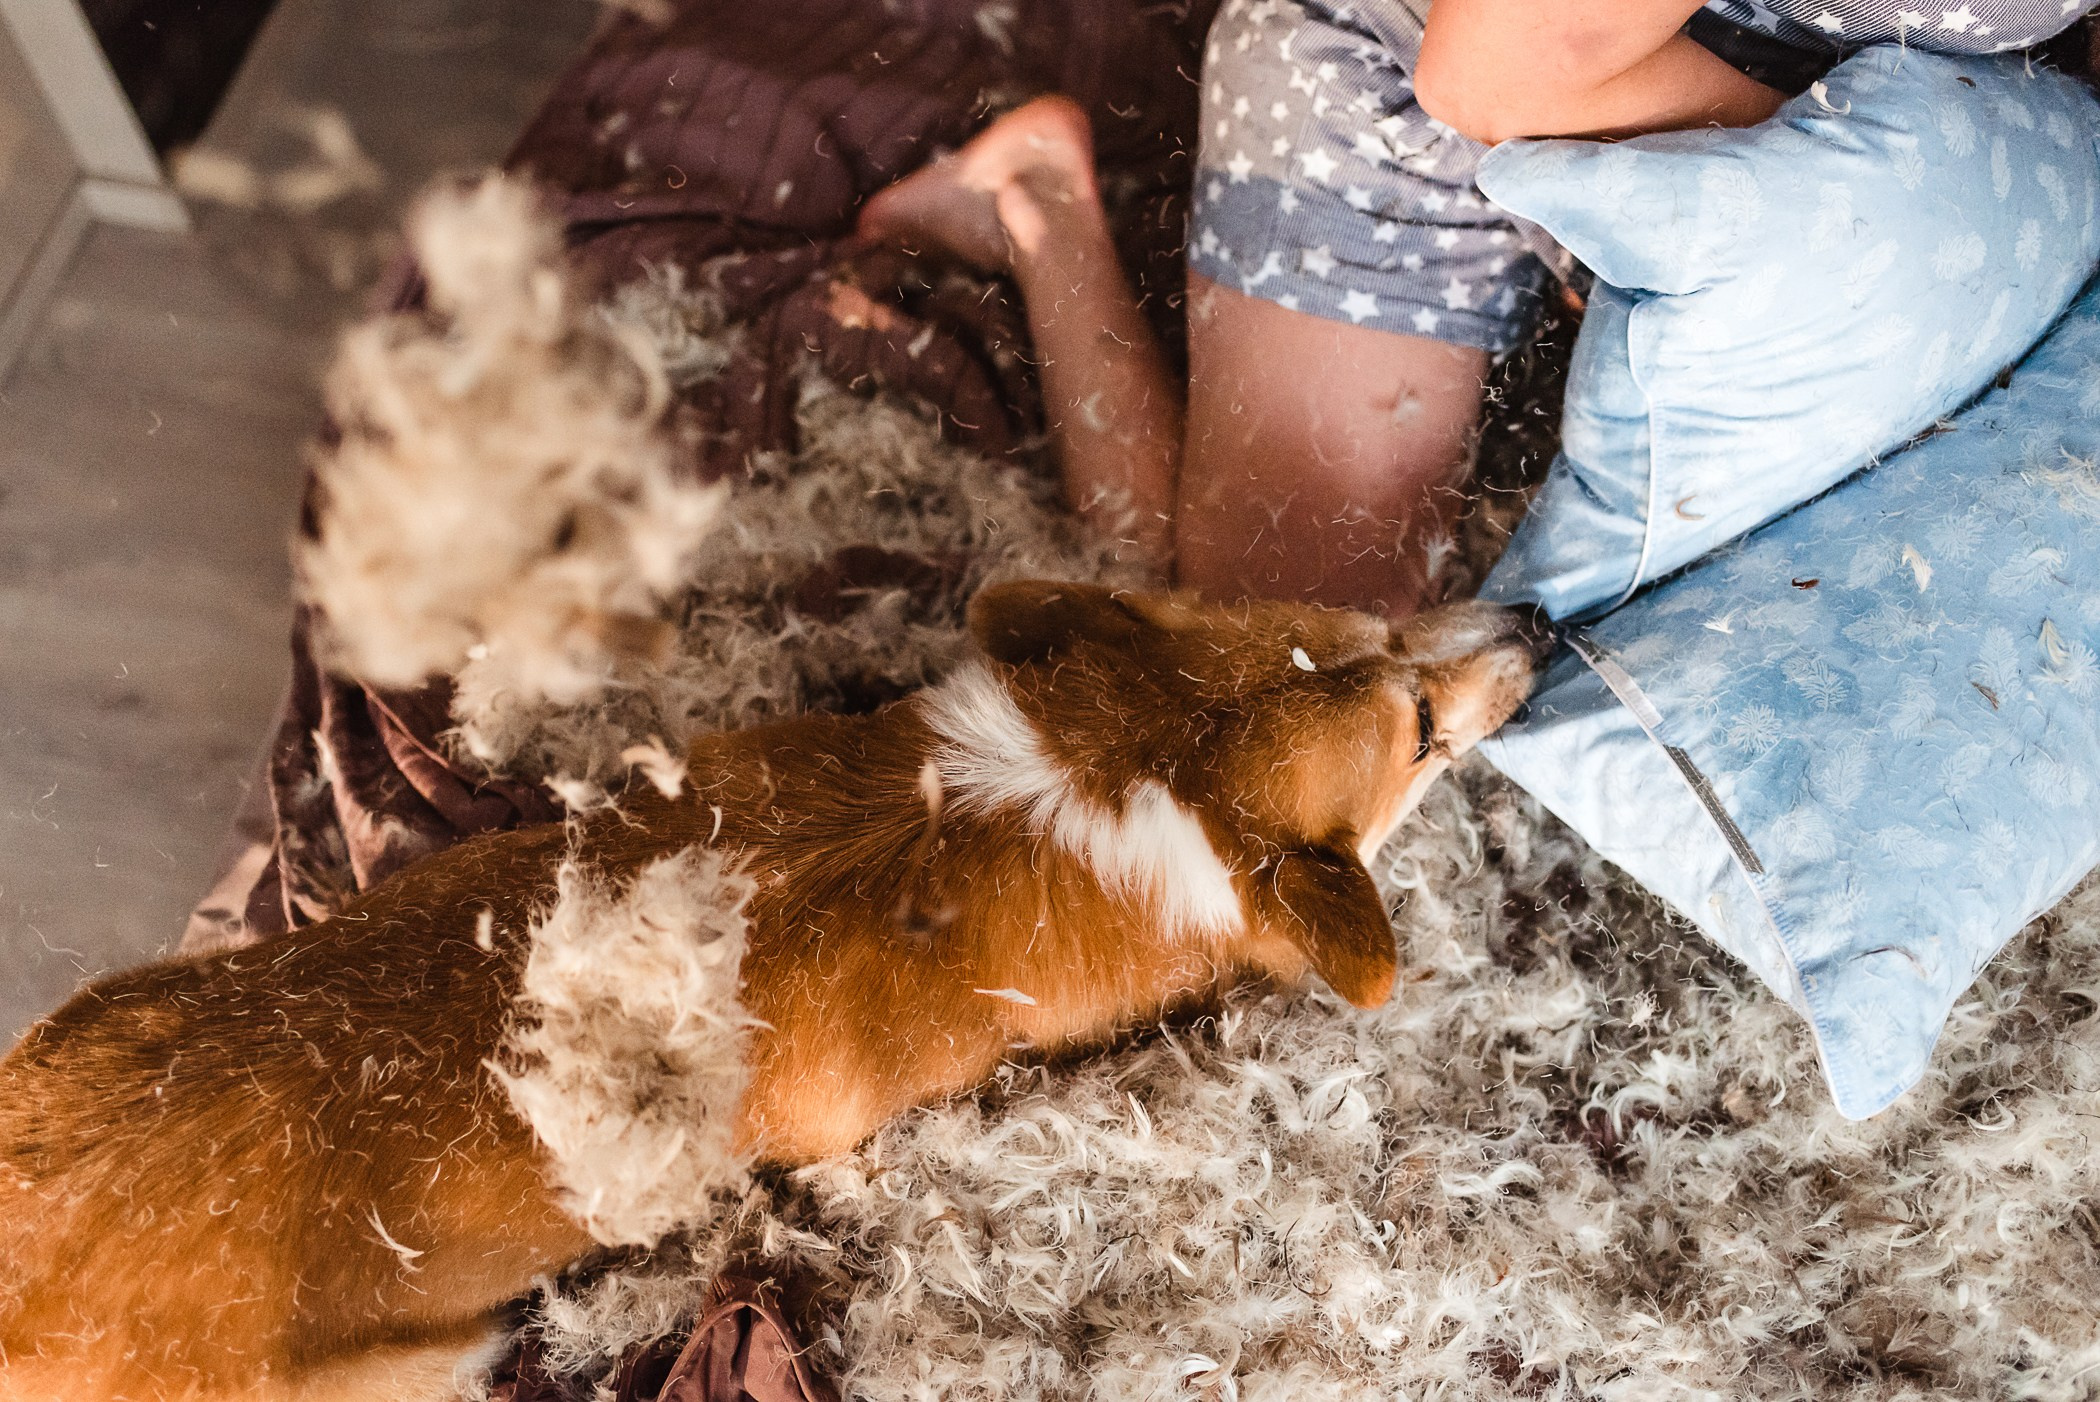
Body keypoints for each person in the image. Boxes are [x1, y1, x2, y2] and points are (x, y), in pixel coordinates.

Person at [858, 0, 2099, 617]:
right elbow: (1484, 69)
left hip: (1723, 118)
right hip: (1404, 73)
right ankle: (1035, 202)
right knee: (1265, 668)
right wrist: (1860, 186)